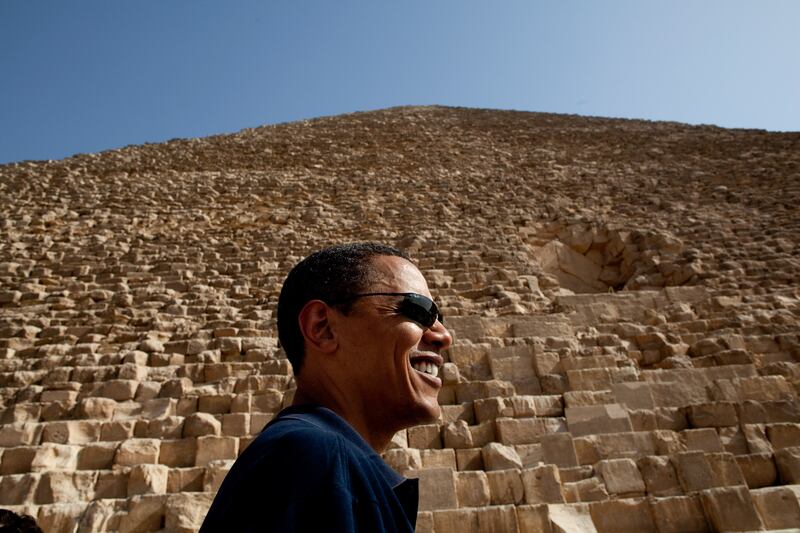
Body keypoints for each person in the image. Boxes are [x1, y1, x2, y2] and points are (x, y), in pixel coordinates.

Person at [200, 243, 453, 532]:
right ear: (322, 327)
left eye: (440, 319)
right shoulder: (312, 458)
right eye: (419, 310)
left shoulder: (318, 461)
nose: (443, 336)